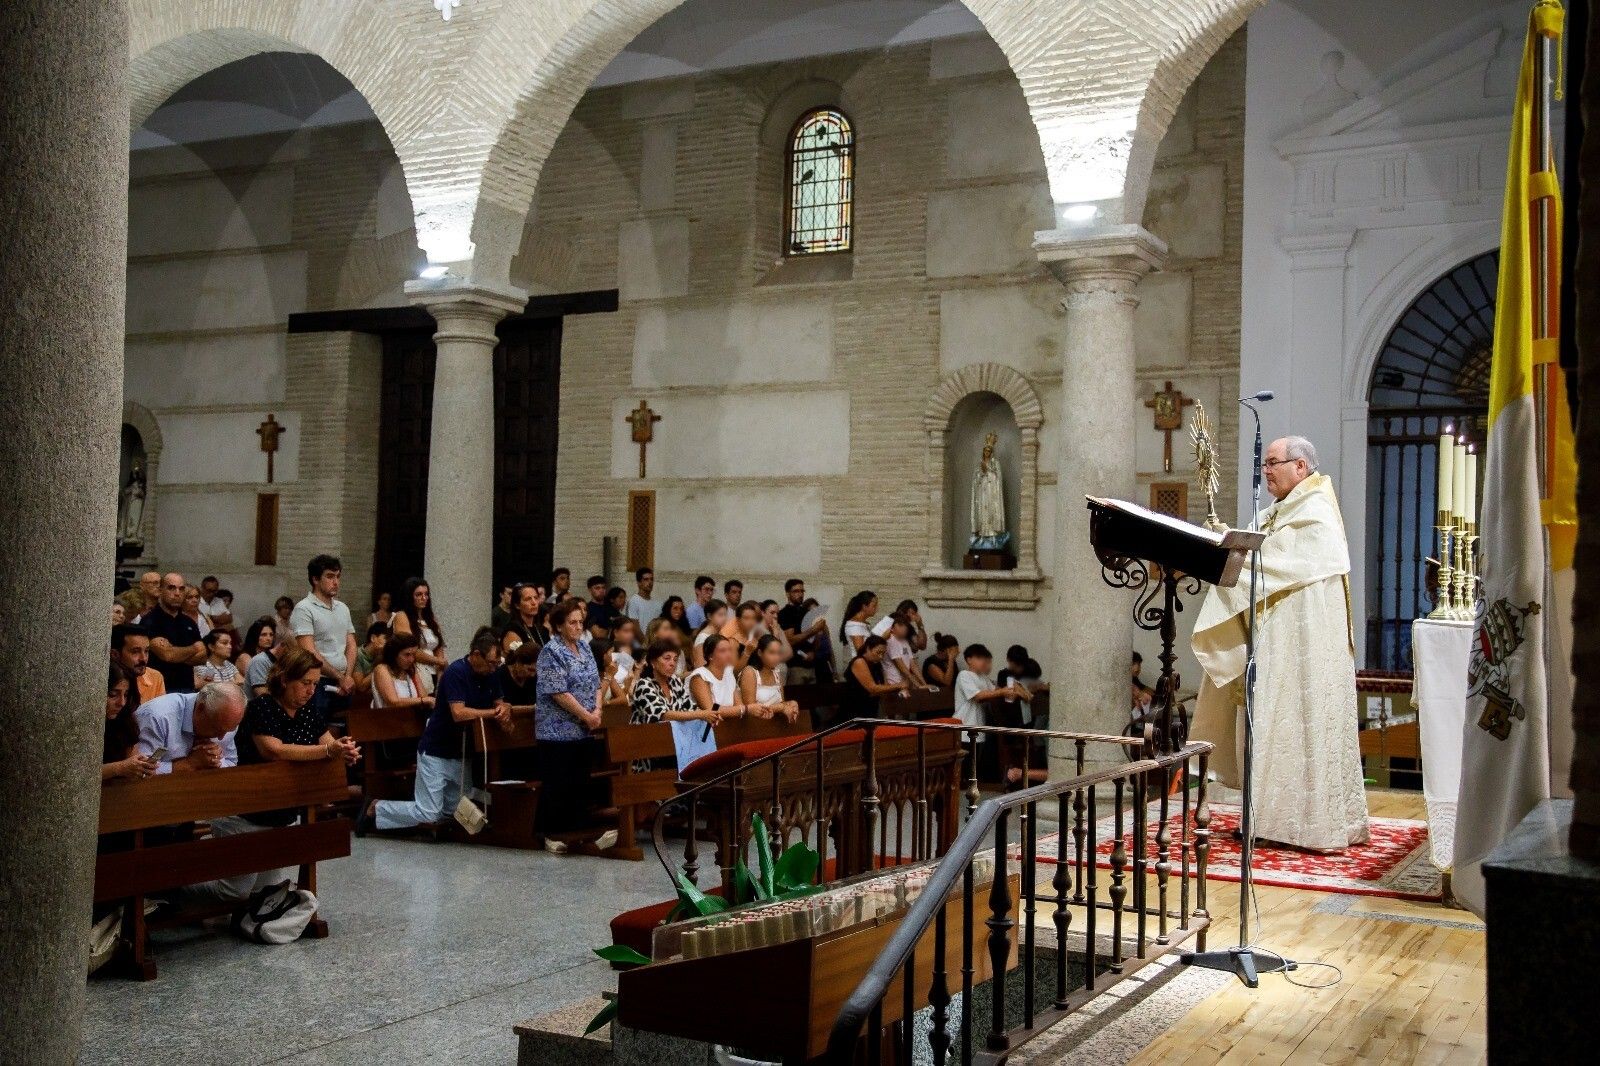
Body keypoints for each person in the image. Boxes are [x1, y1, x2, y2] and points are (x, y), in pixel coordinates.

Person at [1191, 435, 1369, 851]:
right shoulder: (1279, 512)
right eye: (1265, 463)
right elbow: (1258, 550)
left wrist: (1235, 553)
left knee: (1300, 725)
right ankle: (1268, 818)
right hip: (1275, 643)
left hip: (1304, 649)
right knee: (1269, 721)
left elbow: (1277, 560)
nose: (1266, 470)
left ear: (1301, 467)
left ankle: (1307, 825)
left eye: (1273, 463)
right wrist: (1224, 540)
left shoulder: (1317, 513)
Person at [364, 627, 509, 834]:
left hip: (461, 751)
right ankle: (377, 807)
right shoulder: (456, 672)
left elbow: (499, 702)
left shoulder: (491, 674)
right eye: (491, 663)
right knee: (429, 813)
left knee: (454, 812)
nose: (494, 668)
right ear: (476, 655)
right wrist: (493, 713)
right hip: (436, 750)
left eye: (497, 664)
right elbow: (458, 713)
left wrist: (504, 708)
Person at [534, 601, 616, 850]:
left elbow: (595, 682)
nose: (578, 627)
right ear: (559, 625)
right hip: (556, 729)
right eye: (572, 622)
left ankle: (578, 831)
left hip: (583, 727)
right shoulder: (552, 651)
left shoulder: (584, 647)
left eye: (581, 622)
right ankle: (551, 834)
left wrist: (598, 709)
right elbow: (558, 691)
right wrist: (585, 715)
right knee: (559, 781)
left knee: (580, 781)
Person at [291, 554, 358, 717]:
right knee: (316, 730)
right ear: (315, 579)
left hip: (343, 680)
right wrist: (339, 676)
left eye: (338, 576)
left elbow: (351, 644)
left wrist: (347, 676)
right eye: (329, 576)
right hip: (317, 681)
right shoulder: (304, 608)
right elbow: (309, 651)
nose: (336, 582)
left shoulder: (343, 608)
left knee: (340, 729)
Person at [628, 639, 709, 771]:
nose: (672, 663)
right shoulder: (644, 685)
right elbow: (663, 715)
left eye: (675, 659)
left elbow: (690, 708)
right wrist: (701, 714)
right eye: (667, 658)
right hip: (651, 750)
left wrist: (707, 715)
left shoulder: (675, 682)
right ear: (653, 662)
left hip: (677, 745)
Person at [134, 682, 245, 775]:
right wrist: (190, 764)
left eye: (229, 730)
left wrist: (216, 761)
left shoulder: (228, 720)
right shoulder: (157, 717)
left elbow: (231, 763)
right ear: (201, 709)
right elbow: (140, 770)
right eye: (217, 729)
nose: (221, 737)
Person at [952, 644, 1023, 758]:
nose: (984, 662)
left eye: (985, 658)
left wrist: (1014, 690)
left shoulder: (983, 677)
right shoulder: (964, 675)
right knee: (965, 767)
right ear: (969, 660)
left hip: (979, 729)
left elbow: (996, 691)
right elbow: (978, 696)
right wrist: (1002, 692)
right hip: (964, 730)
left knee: (975, 767)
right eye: (979, 658)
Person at [142, 572, 205, 694]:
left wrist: (175, 653)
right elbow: (167, 655)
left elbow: (202, 657)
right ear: (161, 590)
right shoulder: (150, 620)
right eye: (171, 588)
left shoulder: (189, 623)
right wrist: (194, 648)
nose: (177, 593)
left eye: (181, 589)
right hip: (160, 690)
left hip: (187, 688)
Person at [392, 575, 447, 693]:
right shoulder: (402, 616)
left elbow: (439, 648)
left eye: (426, 594)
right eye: (419, 594)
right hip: (414, 669)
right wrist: (438, 661)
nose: (424, 598)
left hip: (435, 670)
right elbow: (409, 649)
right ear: (409, 596)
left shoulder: (431, 619)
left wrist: (440, 676)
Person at [102, 664, 157, 781]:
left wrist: (140, 768)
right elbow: (80, 771)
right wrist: (120, 768)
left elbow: (131, 758)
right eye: (113, 694)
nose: (121, 702)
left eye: (125, 695)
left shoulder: (126, 721)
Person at [840, 635, 904, 721]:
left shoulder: (876, 664)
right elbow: (873, 689)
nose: (881, 657)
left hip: (871, 707)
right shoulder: (859, 661)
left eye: (883, 653)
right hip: (855, 710)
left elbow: (884, 685)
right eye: (878, 652)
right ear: (868, 649)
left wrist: (900, 689)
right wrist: (899, 685)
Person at [689, 635, 754, 718]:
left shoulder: (728, 672)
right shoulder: (700, 676)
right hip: (707, 728)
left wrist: (744, 709)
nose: (729, 654)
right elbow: (711, 710)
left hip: (729, 725)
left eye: (730, 650)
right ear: (710, 656)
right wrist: (746, 709)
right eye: (722, 651)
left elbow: (739, 705)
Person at [778, 578, 830, 682]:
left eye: (802, 591)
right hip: (795, 666)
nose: (800, 594)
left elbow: (816, 637)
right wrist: (814, 630)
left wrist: (813, 652)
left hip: (812, 666)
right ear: (788, 594)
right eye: (796, 591)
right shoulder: (785, 613)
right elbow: (790, 640)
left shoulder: (806, 612)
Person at [740, 634, 800, 723]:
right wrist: (781, 707)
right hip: (753, 727)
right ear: (760, 653)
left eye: (778, 653)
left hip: (773, 725)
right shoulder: (750, 672)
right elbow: (751, 709)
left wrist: (790, 704)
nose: (776, 657)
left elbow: (781, 703)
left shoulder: (776, 674)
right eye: (772, 652)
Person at [372, 632, 432, 712]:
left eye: (414, 655)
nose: (411, 660)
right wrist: (422, 700)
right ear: (394, 654)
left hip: (412, 718)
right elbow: (393, 702)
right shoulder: (382, 669)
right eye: (407, 655)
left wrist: (425, 700)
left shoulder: (411, 669)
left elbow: (423, 696)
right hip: (388, 720)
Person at [111, 622, 163, 711]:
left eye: (146, 651)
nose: (143, 658)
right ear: (115, 654)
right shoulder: (105, 680)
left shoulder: (155, 677)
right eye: (135, 652)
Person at [882, 613, 932, 689]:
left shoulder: (904, 641)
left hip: (906, 684)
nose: (905, 628)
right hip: (894, 685)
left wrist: (924, 684)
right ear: (891, 628)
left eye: (905, 625)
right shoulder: (890, 640)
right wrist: (918, 686)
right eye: (900, 625)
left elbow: (913, 664)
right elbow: (901, 666)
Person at [501, 581, 546, 653]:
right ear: (517, 605)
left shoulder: (540, 628)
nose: (534, 603)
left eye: (536, 598)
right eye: (528, 599)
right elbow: (515, 662)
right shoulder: (513, 631)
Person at [499, 641, 540, 713]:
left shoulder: (535, 678)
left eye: (536, 671)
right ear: (518, 662)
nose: (532, 675)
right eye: (530, 669)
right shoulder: (500, 675)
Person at [241, 616, 278, 696]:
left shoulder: (271, 657)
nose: (269, 638)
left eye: (271, 635)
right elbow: (258, 682)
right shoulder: (245, 657)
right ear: (255, 636)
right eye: (264, 635)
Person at [689, 599, 729, 669]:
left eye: (725, 615)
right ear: (709, 616)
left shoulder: (720, 634)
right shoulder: (702, 638)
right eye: (720, 615)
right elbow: (701, 667)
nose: (724, 618)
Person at [839, 590, 878, 657]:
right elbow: (861, 653)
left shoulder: (863, 624)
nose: (876, 609)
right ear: (864, 606)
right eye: (874, 606)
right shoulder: (854, 626)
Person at [352, 622, 387, 697]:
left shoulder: (383, 655)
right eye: (386, 638)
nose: (389, 642)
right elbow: (361, 687)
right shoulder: (357, 655)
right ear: (373, 638)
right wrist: (381, 666)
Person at [583, 575, 613, 641]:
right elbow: (598, 634)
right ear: (590, 590)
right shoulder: (587, 609)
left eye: (603, 588)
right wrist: (611, 626)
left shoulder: (611, 607)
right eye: (597, 588)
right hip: (597, 647)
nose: (601, 590)